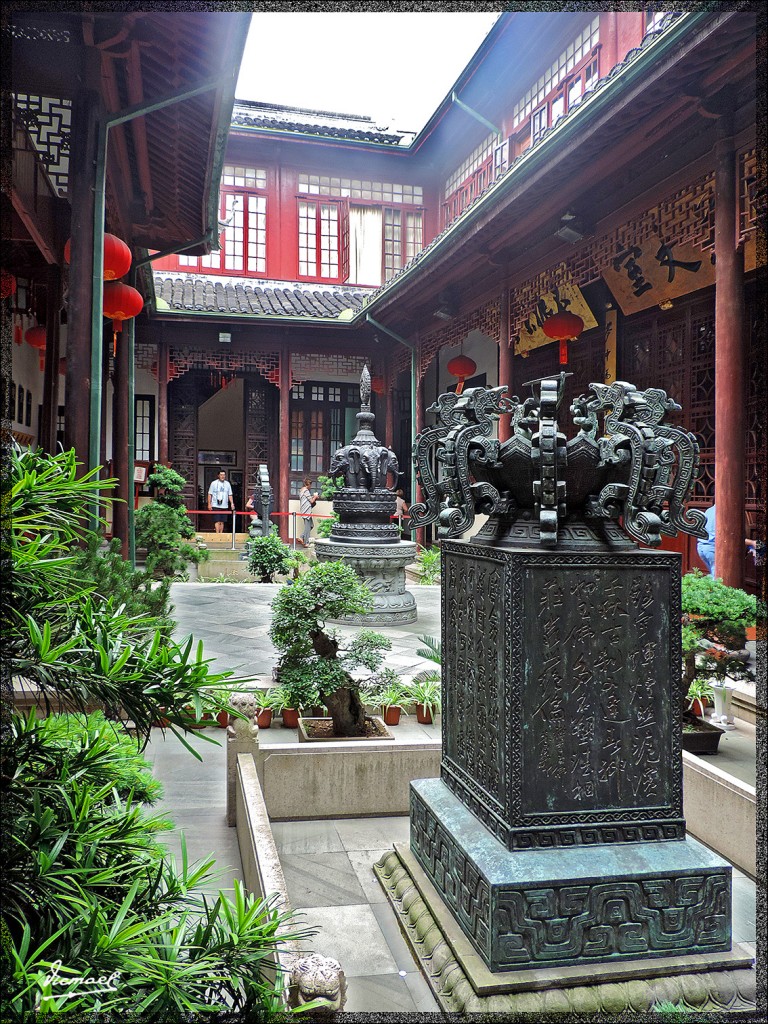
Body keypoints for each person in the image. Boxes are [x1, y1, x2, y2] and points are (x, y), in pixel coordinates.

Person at [207, 469, 234, 534]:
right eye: (221, 475)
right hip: (215, 505)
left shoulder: (227, 484)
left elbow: (230, 494)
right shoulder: (213, 483)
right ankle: (217, 534)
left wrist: (232, 503)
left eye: (224, 475)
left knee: (222, 521)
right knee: (217, 521)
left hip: (224, 505)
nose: (223, 476)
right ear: (218, 475)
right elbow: (210, 494)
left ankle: (221, 534)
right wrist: (209, 504)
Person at [697, 504, 716, 576]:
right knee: (717, 576)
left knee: (713, 573)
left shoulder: (709, 510)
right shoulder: (722, 512)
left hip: (701, 546)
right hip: (712, 547)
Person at [299, 478, 319, 545]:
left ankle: (302, 537)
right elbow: (311, 501)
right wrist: (315, 497)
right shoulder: (306, 491)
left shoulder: (302, 490)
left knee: (311, 525)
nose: (311, 487)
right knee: (307, 527)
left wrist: (314, 497)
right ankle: (306, 542)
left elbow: (308, 499)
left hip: (305, 510)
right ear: (308, 484)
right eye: (311, 485)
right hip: (306, 510)